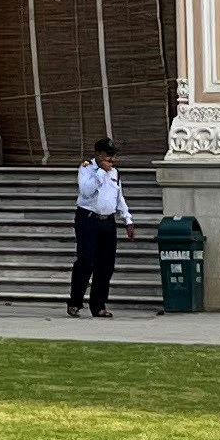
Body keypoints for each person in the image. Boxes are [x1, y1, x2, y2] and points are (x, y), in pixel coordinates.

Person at [70, 136, 135, 318]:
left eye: (113, 156)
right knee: (86, 261)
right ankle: (75, 301)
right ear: (98, 155)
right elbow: (86, 191)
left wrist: (128, 220)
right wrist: (100, 173)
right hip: (88, 219)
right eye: (108, 156)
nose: (111, 160)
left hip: (107, 220)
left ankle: (98, 305)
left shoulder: (115, 173)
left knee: (106, 264)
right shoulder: (86, 169)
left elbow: (119, 197)